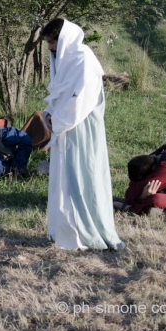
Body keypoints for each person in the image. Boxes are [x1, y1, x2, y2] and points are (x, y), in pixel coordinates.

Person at [42, 18, 123, 251]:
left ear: (63, 39)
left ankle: (86, 233)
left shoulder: (84, 60)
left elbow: (81, 102)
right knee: (65, 180)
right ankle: (66, 232)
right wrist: (49, 115)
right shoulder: (66, 59)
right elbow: (59, 91)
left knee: (82, 176)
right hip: (64, 128)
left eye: (52, 42)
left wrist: (55, 121)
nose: (50, 48)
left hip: (81, 130)